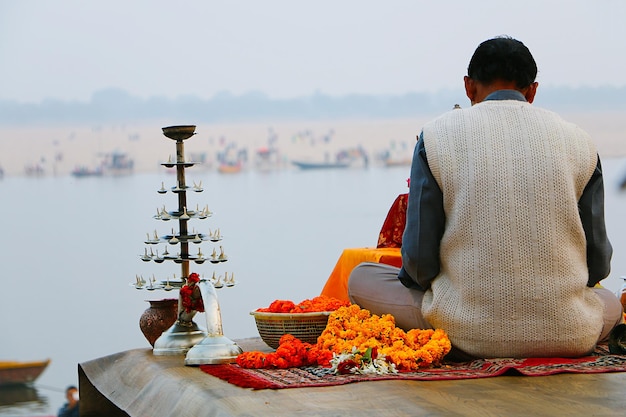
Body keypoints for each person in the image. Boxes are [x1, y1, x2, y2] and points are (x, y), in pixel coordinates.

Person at [348, 36, 623, 360]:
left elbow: (420, 265)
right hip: (568, 332)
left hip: (464, 333)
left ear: (468, 87)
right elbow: (597, 265)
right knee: (610, 303)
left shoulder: (437, 135)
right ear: (532, 90)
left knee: (361, 277)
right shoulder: (581, 141)